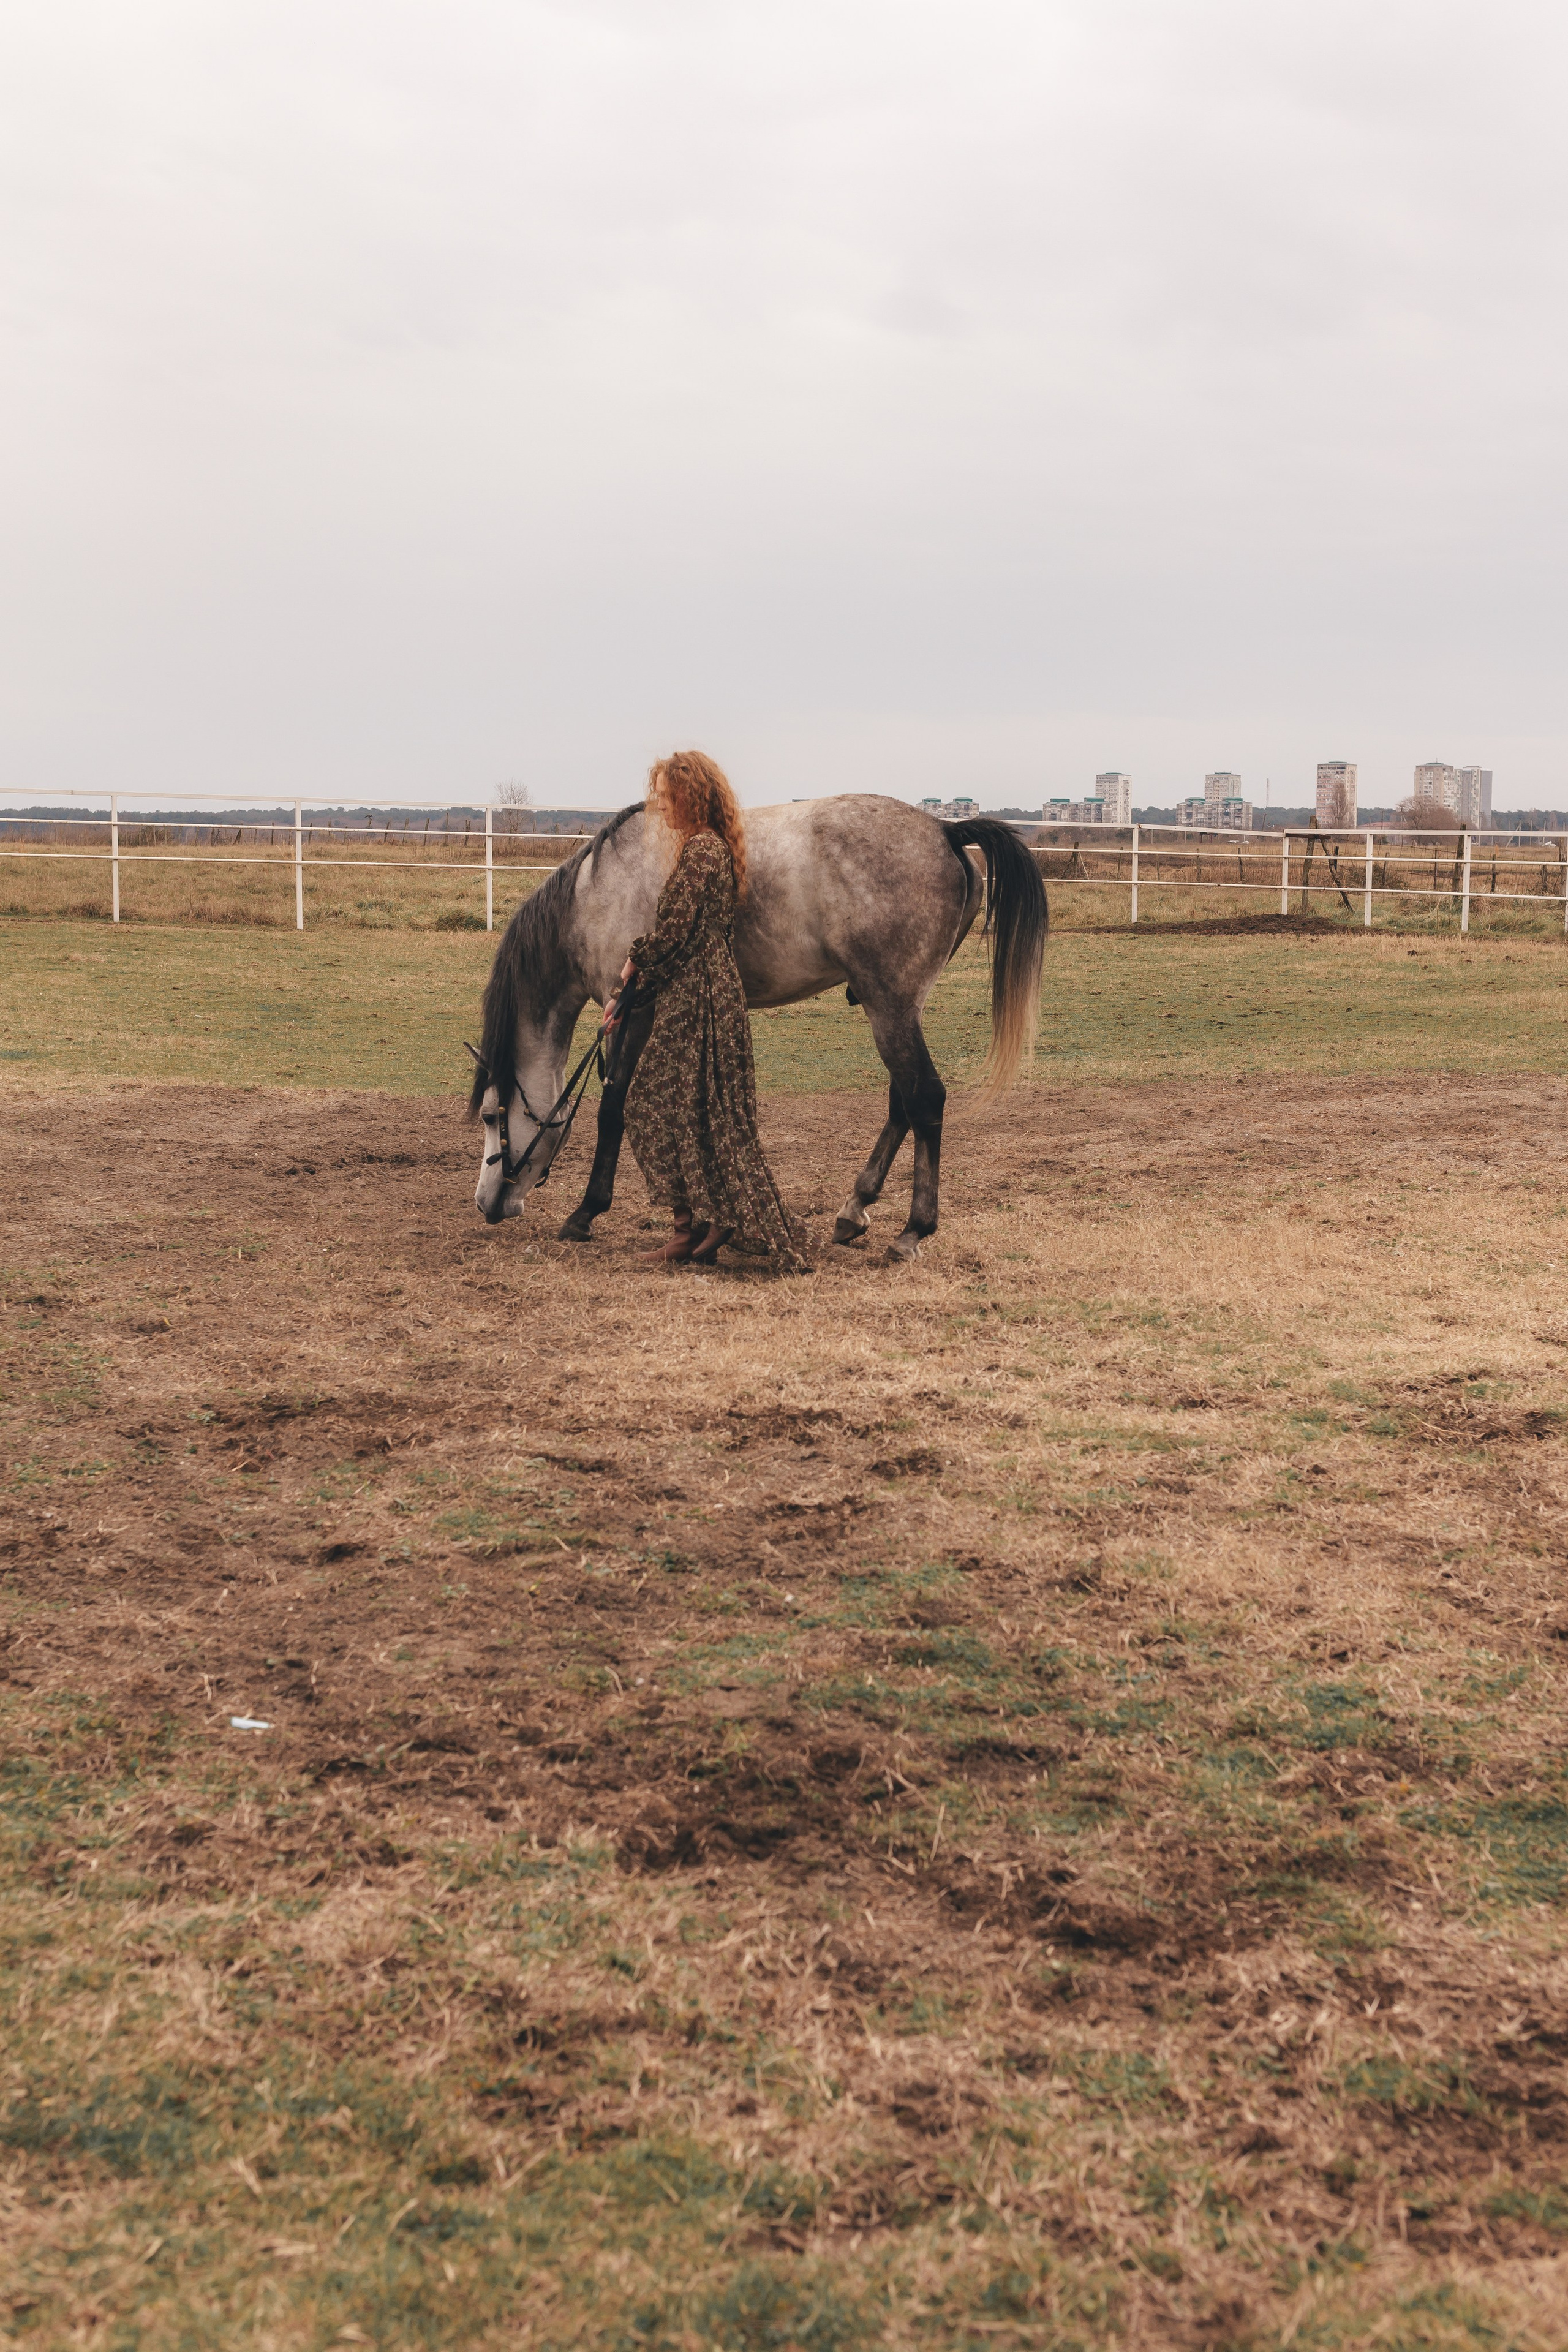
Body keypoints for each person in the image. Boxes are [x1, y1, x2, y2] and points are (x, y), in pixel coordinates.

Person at [607, 751, 807, 1272]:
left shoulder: (701, 853)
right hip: (704, 987)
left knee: (651, 1099)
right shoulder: (714, 850)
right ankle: (696, 1226)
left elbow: (674, 934)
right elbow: (693, 933)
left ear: (691, 798)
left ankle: (701, 1222)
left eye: (668, 797)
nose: (662, 806)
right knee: (698, 1108)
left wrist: (632, 966)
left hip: (698, 993)